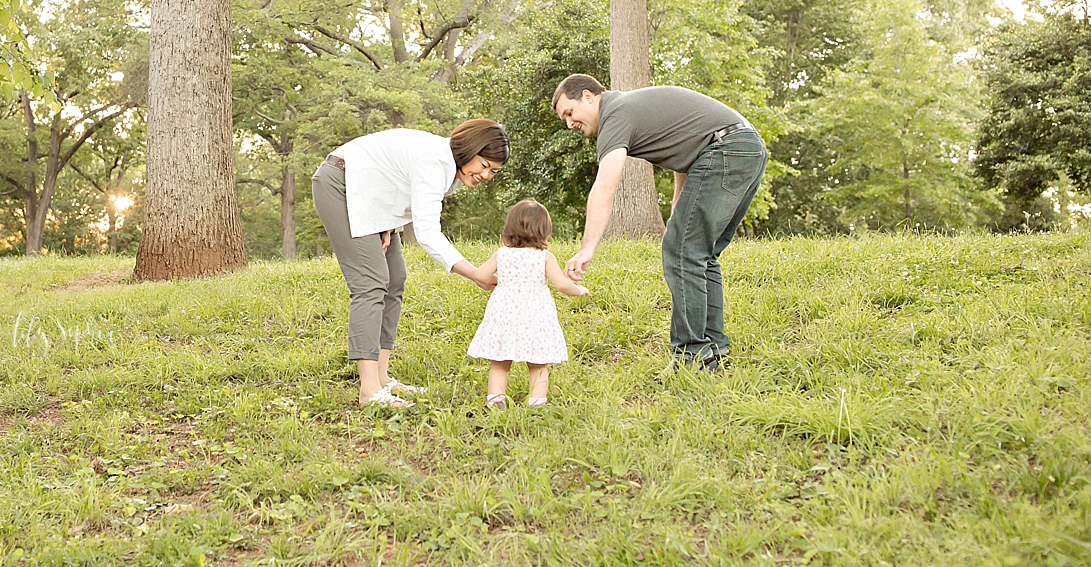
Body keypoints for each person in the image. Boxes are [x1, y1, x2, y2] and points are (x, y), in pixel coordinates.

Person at [552, 73, 767, 372]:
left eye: (569, 113)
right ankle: (713, 351)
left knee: (682, 252)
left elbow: (605, 186)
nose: (569, 123)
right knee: (701, 254)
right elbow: (686, 151)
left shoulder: (614, 114)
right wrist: (679, 208)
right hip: (745, 148)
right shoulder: (633, 108)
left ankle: (692, 357)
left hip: (726, 150)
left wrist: (587, 247)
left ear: (588, 96)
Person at [312, 119, 509, 408]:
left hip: (366, 194)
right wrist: (474, 274)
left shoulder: (448, 170)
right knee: (371, 282)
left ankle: (381, 378)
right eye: (484, 165)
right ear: (470, 149)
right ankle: (369, 391)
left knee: (395, 278)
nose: (486, 175)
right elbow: (427, 231)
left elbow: (391, 181)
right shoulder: (434, 161)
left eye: (493, 171)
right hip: (338, 185)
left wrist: (385, 225)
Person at [466, 199, 588, 410]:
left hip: (504, 315)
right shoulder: (545, 257)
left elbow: (481, 275)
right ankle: (537, 406)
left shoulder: (501, 254)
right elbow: (561, 284)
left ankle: (496, 403)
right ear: (544, 230)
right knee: (538, 364)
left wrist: (502, 279)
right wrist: (579, 290)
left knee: (500, 362)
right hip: (535, 316)